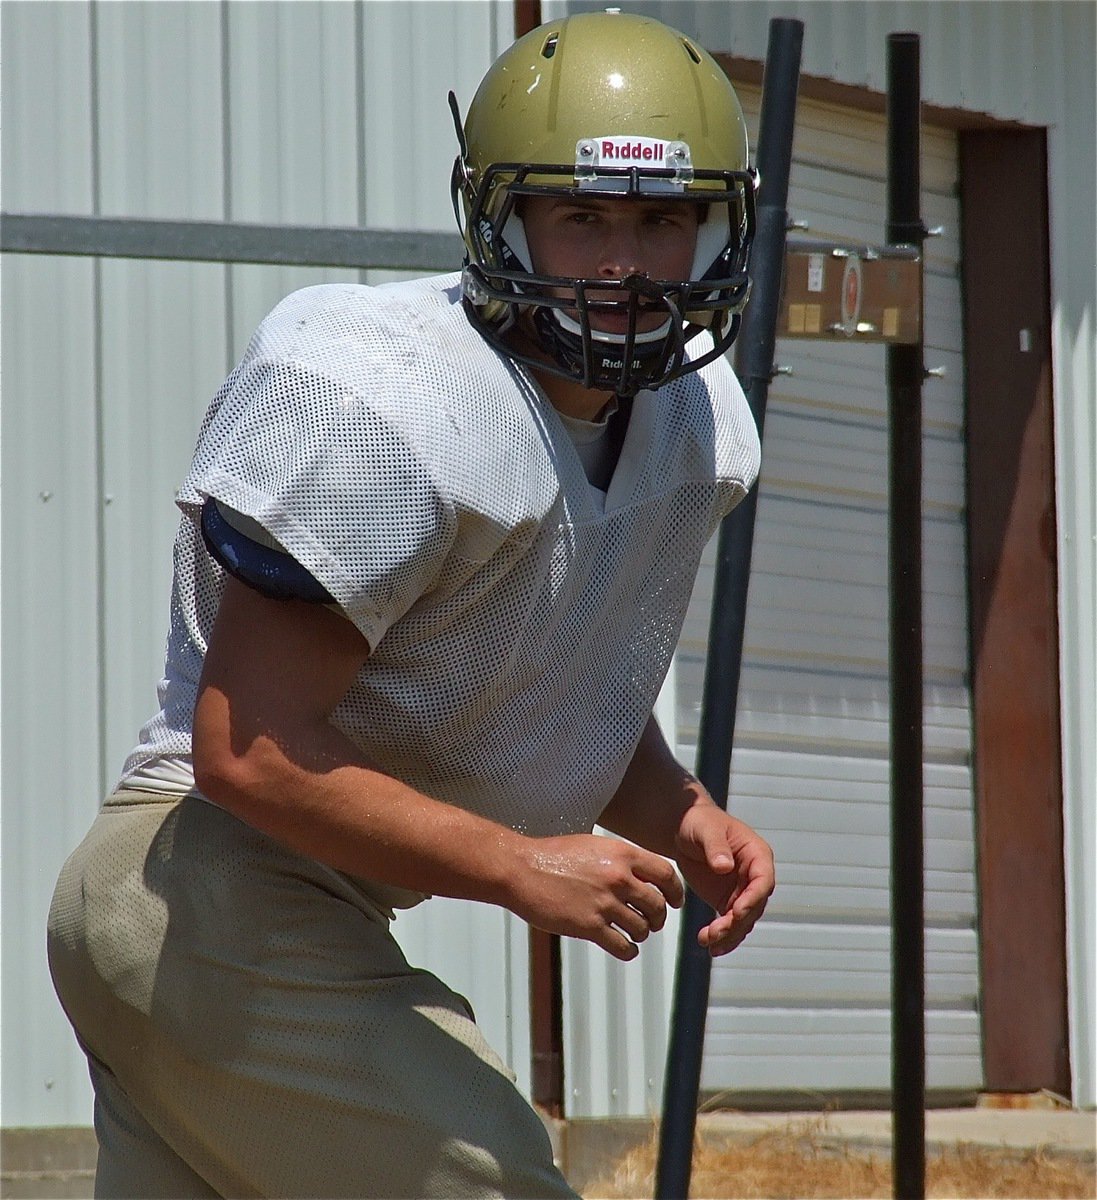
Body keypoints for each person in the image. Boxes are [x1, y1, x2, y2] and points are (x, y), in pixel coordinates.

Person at [47, 10, 775, 1198]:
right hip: (195, 890)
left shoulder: (696, 423)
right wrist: (515, 863)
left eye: (660, 218)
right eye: (580, 214)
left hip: (238, 918)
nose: (624, 260)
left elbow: (545, 663)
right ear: (498, 217)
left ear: (714, 228)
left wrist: (676, 808)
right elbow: (248, 752)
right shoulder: (386, 395)